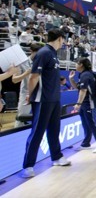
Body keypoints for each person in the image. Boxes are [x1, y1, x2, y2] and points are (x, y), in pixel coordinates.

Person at [21, 29, 71, 178]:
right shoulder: (44, 53)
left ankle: (56, 157)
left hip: (54, 99)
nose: (64, 42)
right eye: (64, 39)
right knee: (37, 132)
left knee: (54, 130)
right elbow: (33, 77)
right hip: (42, 99)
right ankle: (28, 166)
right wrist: (30, 94)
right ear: (60, 39)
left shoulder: (53, 54)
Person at [69, 57, 96, 153]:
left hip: (90, 103)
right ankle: (86, 143)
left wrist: (78, 103)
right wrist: (71, 80)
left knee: (93, 123)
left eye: (76, 63)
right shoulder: (82, 75)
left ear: (81, 64)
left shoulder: (86, 75)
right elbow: (78, 88)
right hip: (84, 104)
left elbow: (83, 90)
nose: (75, 65)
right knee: (86, 123)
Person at [13, 43, 42, 128]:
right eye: (37, 53)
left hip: (40, 93)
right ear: (31, 51)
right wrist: (26, 73)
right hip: (26, 93)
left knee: (39, 118)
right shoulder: (22, 63)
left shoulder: (42, 62)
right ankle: (16, 136)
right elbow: (14, 80)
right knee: (21, 118)